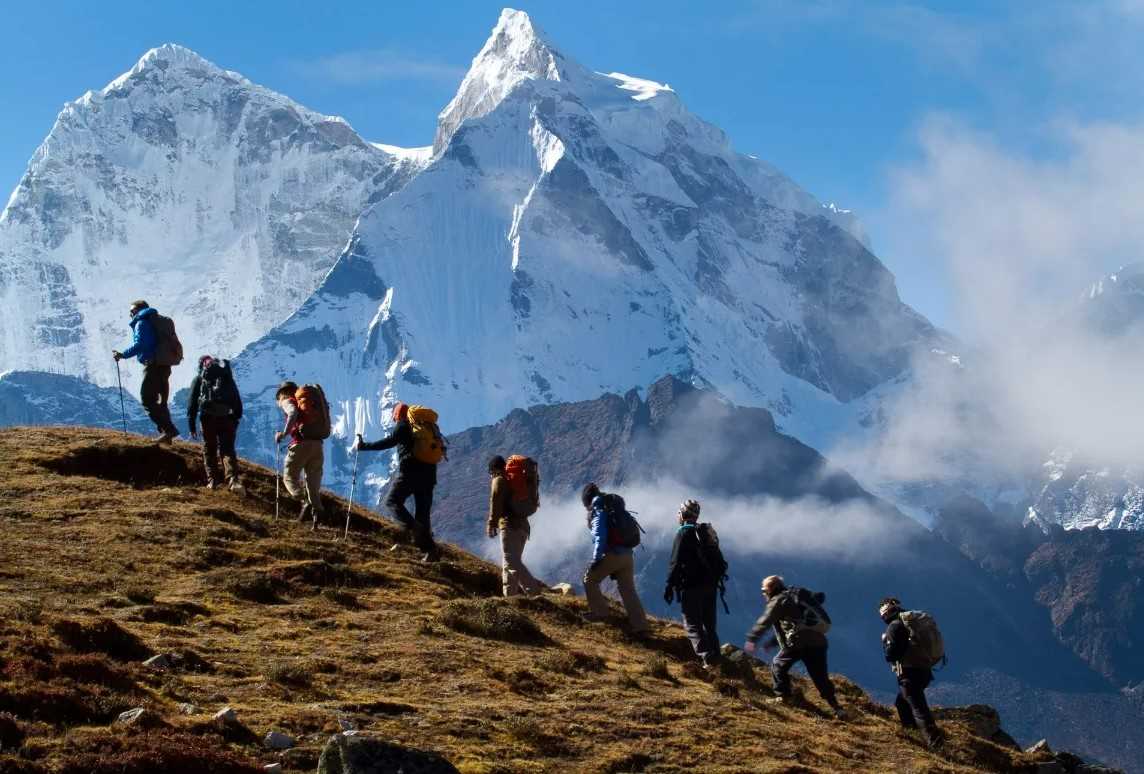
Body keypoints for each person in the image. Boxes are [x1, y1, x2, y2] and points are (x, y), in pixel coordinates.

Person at [744, 575, 846, 719]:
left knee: (778, 664)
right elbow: (791, 625)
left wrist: (752, 639)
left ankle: (783, 697)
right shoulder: (796, 596)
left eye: (763, 590)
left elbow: (765, 621)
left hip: (799, 641)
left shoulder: (778, 600)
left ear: (771, 588)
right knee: (820, 676)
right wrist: (772, 643)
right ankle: (837, 708)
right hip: (818, 641)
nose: (763, 593)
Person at [357, 402, 440, 562]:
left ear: (397, 414)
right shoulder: (426, 427)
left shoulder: (403, 425)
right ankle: (430, 551)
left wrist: (364, 446)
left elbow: (389, 442)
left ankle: (412, 527)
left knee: (392, 501)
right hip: (429, 475)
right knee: (423, 512)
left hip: (410, 472)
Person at [581, 482, 649, 636]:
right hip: (628, 555)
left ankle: (600, 614)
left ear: (587, 500)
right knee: (628, 590)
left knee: (589, 579)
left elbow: (600, 535)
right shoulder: (613, 504)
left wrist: (596, 559)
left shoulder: (598, 508)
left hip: (614, 554)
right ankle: (641, 626)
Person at [664, 499, 723, 668]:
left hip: (692, 586)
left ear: (682, 514)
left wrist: (669, 585)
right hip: (711, 585)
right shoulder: (704, 533)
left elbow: (675, 562)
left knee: (692, 623)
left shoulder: (683, 533)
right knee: (709, 625)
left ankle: (707, 657)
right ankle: (717, 657)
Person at [112, 300, 180, 444]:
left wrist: (122, 354)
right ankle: (166, 437)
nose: (130, 314)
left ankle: (169, 430)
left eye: (132, 311)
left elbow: (141, 344)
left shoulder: (142, 323)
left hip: (153, 365)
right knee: (161, 402)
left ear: (138, 310)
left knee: (148, 399)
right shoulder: (158, 321)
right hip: (165, 365)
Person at [880, 597, 943, 749]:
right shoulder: (911, 622)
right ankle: (913, 737)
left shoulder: (894, 626)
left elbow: (892, 655)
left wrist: (885, 643)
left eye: (882, 615)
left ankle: (936, 745)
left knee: (919, 709)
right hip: (924, 670)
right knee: (902, 703)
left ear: (886, 613)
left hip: (909, 674)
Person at [486, 455, 544, 596]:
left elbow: (496, 502)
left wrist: (491, 524)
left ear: (494, 469)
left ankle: (529, 592)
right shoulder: (514, 481)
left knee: (510, 561)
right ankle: (515, 595)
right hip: (523, 527)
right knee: (511, 562)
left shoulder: (499, 480)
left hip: (509, 525)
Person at [187, 355, 245, 493]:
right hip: (227, 417)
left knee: (209, 449)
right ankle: (233, 480)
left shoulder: (199, 379)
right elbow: (236, 399)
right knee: (227, 449)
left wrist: (192, 425)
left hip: (207, 418)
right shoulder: (226, 377)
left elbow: (192, 404)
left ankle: (212, 481)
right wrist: (235, 417)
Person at [274, 381, 324, 528]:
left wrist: (283, 434)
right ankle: (317, 518)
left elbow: (292, 413)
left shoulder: (288, 400)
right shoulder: (309, 405)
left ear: (282, 393)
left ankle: (304, 501)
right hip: (317, 446)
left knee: (289, 478)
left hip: (301, 444)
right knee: (313, 485)